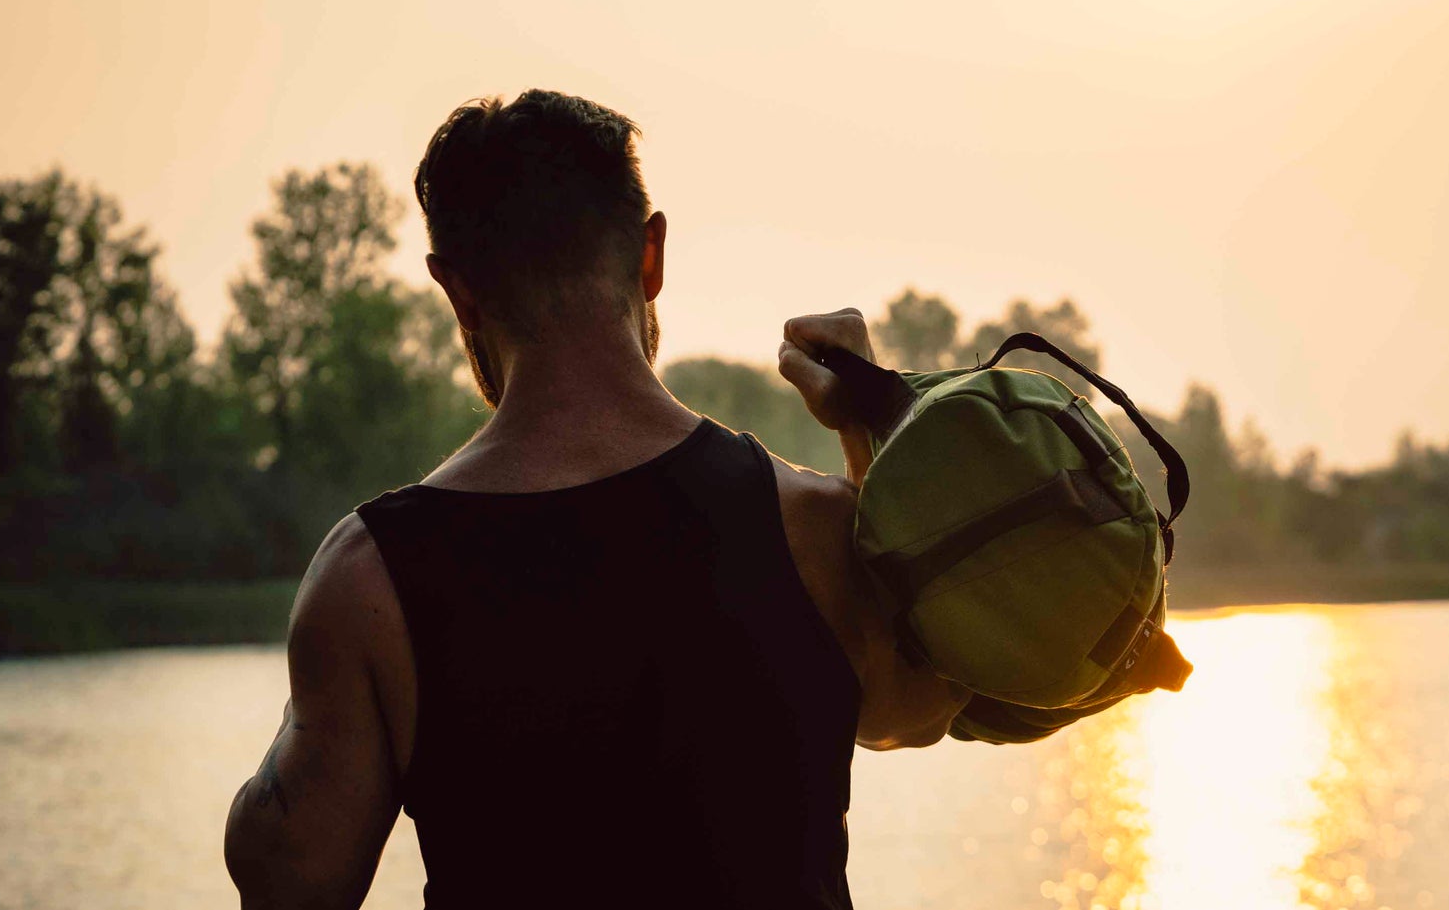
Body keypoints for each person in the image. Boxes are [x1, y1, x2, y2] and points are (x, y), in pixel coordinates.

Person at [223, 90, 967, 910]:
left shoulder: (369, 580)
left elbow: (290, 876)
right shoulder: (812, 523)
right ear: (651, 256)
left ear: (458, 293)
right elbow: (920, 706)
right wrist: (872, 430)